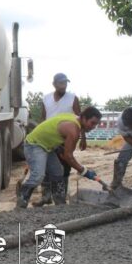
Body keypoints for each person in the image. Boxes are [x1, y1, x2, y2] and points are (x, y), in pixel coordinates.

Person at [17, 106, 102, 209]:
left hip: (47, 146)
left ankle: (60, 205)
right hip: (34, 145)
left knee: (57, 172)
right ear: (83, 118)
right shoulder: (73, 130)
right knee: (37, 176)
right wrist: (84, 171)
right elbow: (68, 156)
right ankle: (21, 205)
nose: (93, 127)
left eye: (96, 124)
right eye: (92, 123)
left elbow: (66, 149)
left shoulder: (74, 118)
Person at [36, 73, 86, 206]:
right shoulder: (46, 99)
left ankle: (61, 196)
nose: (63, 86)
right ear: (54, 84)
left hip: (66, 137)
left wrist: (83, 137)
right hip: (48, 138)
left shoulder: (73, 98)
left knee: (65, 165)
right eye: (60, 83)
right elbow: (42, 119)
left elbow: (80, 118)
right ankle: (46, 195)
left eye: (65, 83)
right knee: (46, 166)